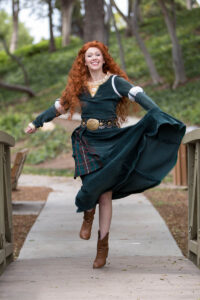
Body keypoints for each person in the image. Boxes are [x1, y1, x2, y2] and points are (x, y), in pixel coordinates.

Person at [25, 40, 186, 269]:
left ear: (103, 58)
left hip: (112, 141)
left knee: (105, 194)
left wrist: (157, 113)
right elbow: (59, 107)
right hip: (87, 142)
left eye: (97, 55)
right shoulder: (78, 86)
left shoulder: (114, 82)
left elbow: (137, 94)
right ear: (84, 61)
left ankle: (102, 247)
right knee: (92, 186)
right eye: (89, 55)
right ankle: (87, 215)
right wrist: (36, 122)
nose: (93, 58)